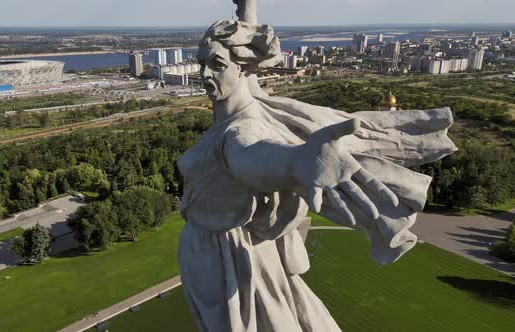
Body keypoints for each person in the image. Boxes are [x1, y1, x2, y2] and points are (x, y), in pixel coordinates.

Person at [177, 20, 456, 332]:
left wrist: (296, 162)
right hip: (214, 259)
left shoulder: (241, 130)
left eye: (216, 64)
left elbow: (256, 156)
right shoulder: (243, 103)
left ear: (243, 69)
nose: (203, 73)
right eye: (202, 62)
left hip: (231, 264)